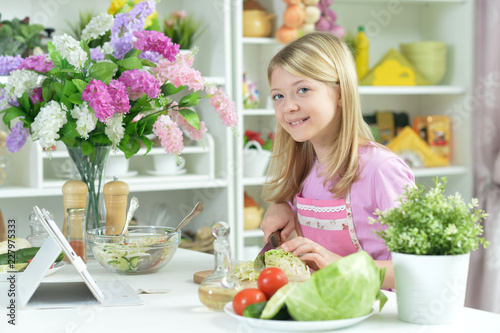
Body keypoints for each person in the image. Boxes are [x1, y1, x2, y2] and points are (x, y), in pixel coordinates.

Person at [260, 32, 415, 289]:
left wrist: (338, 264)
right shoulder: (305, 170)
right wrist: (282, 204)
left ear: (341, 94)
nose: (288, 107)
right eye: (279, 96)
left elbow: (416, 267)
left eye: (303, 90)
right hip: (329, 308)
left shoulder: (381, 170)